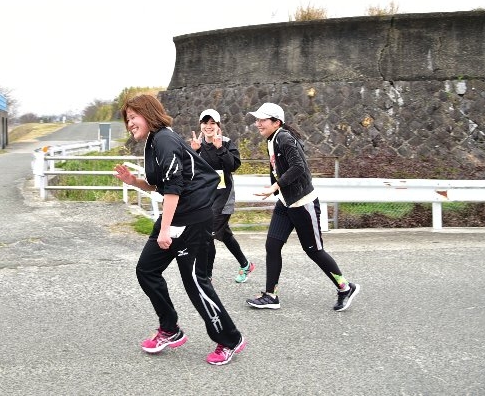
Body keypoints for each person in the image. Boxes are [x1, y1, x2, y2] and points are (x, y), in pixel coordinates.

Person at [114, 94, 246, 366]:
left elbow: (174, 188)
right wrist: (134, 181)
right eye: (127, 120)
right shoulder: (154, 141)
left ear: (148, 114)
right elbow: (161, 185)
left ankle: (230, 339)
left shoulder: (164, 139)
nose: (130, 124)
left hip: (193, 218)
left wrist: (164, 230)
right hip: (177, 215)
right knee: (146, 270)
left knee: (195, 281)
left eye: (133, 117)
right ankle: (170, 329)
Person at [244, 102, 360, 312]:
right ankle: (271, 296)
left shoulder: (284, 138)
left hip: (303, 203)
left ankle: (345, 287)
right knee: (272, 246)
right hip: (286, 202)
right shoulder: (272, 139)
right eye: (257, 119)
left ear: (276, 122)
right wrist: (277, 189)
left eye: (262, 120)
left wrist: (275, 187)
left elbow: (299, 167)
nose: (258, 123)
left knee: (314, 251)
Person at [189, 108, 255, 283]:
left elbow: (234, 166)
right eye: (205, 123)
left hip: (223, 198)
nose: (208, 126)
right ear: (200, 125)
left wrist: (220, 148)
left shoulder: (225, 143)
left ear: (218, 125)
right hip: (205, 199)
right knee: (224, 234)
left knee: (207, 235)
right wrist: (194, 152)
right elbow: (191, 171)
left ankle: (206, 276)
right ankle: (246, 265)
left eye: (212, 123)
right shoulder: (197, 145)